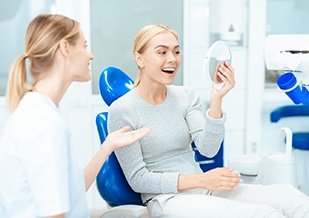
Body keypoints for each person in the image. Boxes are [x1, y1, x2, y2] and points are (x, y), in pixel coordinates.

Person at [107, 24, 309, 218]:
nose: (172, 59)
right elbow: (138, 180)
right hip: (167, 199)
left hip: (204, 188)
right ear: (139, 59)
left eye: (176, 52)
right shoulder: (123, 110)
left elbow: (208, 149)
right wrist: (202, 179)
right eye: (162, 52)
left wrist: (216, 100)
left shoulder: (185, 96)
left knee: (288, 196)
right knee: (263, 215)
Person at [0, 14, 152, 218]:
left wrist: (108, 146)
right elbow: (52, 215)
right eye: (84, 45)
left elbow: (71, 193)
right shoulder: (43, 123)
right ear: (65, 48)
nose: (91, 56)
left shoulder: (38, 112)